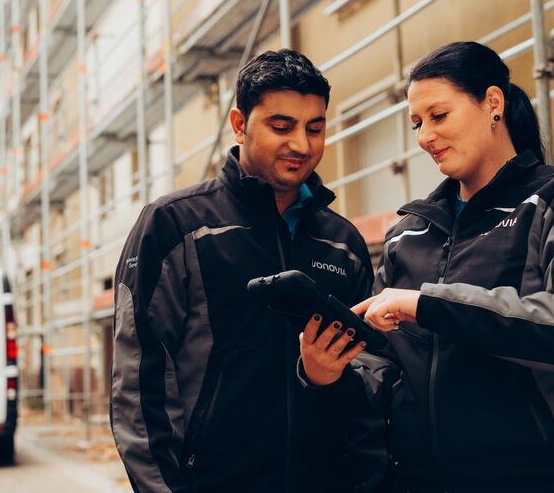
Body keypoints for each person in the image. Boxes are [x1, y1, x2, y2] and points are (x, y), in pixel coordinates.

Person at [299, 41, 554, 492]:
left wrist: (429, 304)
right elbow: (382, 363)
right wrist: (328, 374)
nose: (424, 137)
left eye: (438, 116)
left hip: (552, 478)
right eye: (417, 123)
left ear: (492, 103)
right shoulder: (408, 234)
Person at [110, 50, 384, 493]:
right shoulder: (176, 227)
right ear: (240, 124)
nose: (301, 144)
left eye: (315, 128)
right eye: (282, 126)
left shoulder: (343, 244)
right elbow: (139, 388)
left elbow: (369, 377)